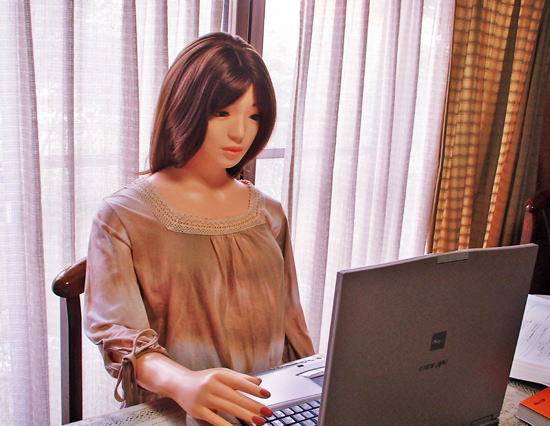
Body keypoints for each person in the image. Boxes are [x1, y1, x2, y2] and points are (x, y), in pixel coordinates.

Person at [83, 32, 314, 426]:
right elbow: (119, 336)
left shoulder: (268, 213)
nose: (240, 132)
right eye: (222, 112)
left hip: (267, 410)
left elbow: (293, 332)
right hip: (177, 413)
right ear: (185, 107)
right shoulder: (123, 216)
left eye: (254, 115)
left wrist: (319, 397)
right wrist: (183, 382)